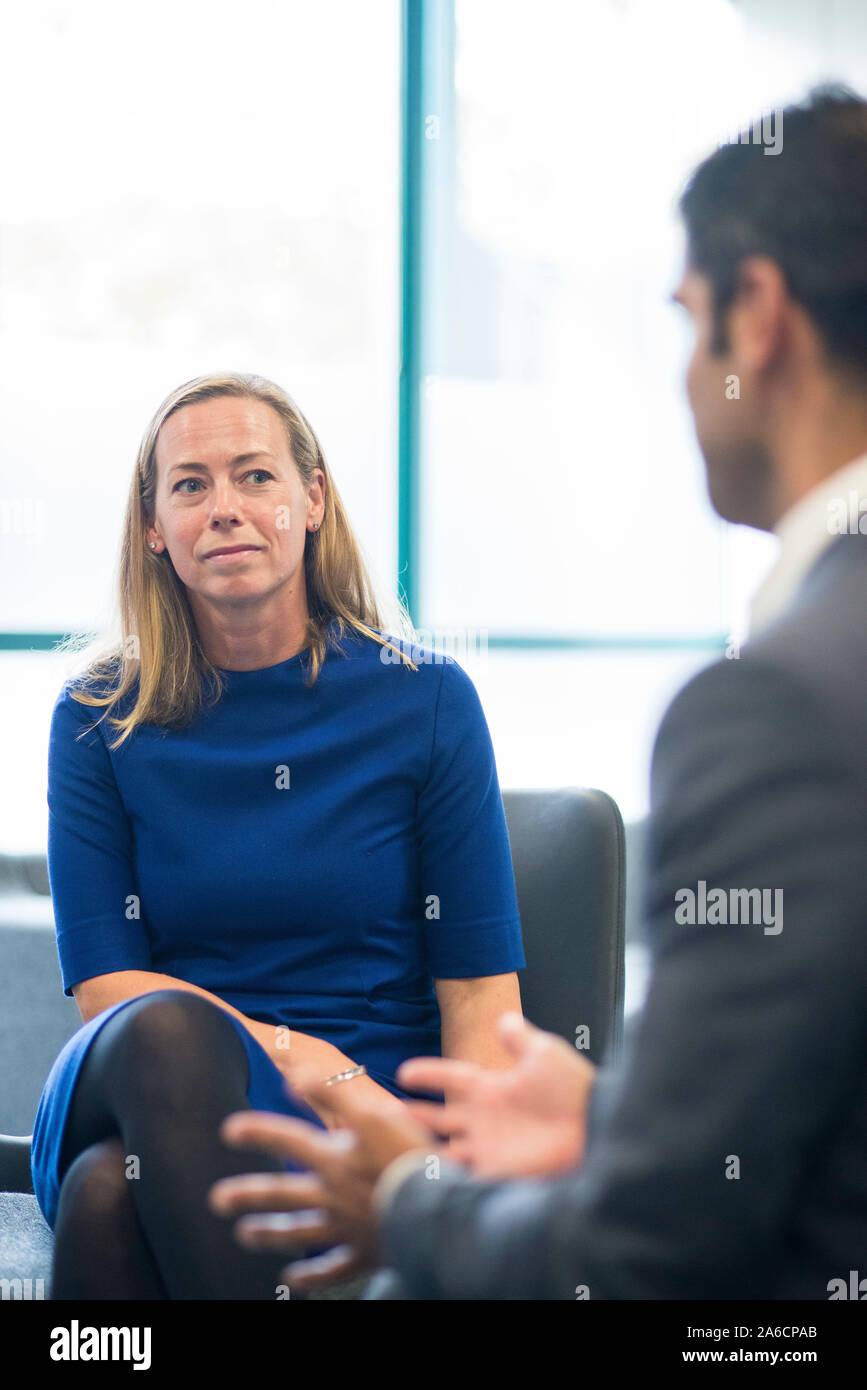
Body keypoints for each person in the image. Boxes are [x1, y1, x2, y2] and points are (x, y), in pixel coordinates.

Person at [209, 85, 867, 1299]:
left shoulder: (775, 708)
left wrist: (410, 1198)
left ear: (758, 317)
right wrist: (625, 1121)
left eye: (688, 324)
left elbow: (650, 1252)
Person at [31, 371, 525, 1299]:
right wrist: (305, 1059)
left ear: (312, 499)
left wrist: (472, 1190)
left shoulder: (425, 701)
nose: (224, 509)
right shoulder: (99, 717)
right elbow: (106, 990)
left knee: (108, 1197)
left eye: (255, 476)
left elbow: (479, 1003)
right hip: (155, 1073)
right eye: (189, 485)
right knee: (166, 1030)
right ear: (153, 528)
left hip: (370, 1106)